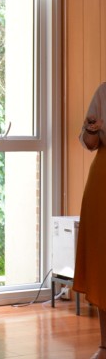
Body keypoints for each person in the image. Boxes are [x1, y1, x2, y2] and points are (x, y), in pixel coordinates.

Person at [75, 82, 106, 358]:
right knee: (102, 260)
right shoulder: (104, 91)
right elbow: (90, 143)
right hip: (103, 182)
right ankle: (105, 344)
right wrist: (90, 129)